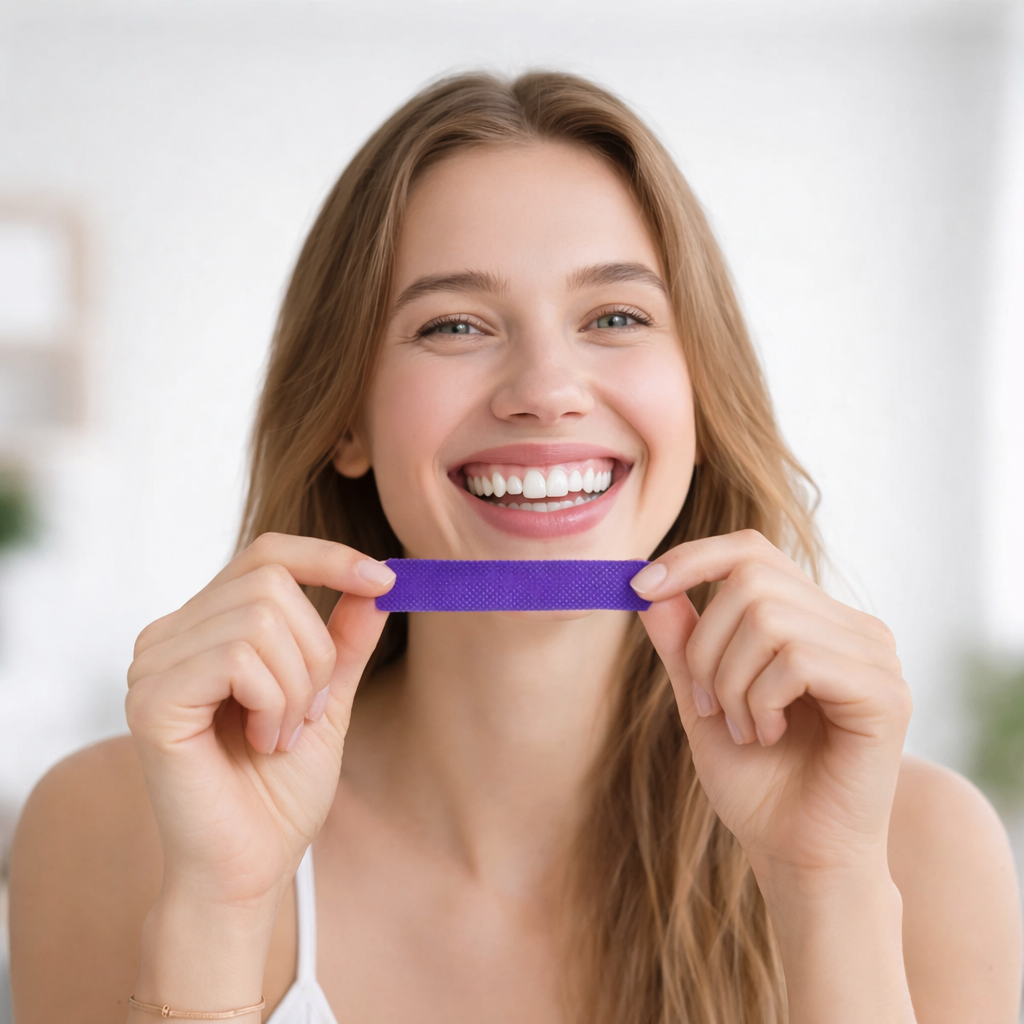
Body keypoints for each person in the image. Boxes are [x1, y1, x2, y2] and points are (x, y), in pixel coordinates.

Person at [9, 71, 1022, 1024]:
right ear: (345, 419)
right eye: (454, 326)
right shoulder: (116, 824)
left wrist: (825, 885)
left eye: (615, 315)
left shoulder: (915, 847)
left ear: (701, 396)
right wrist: (218, 911)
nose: (544, 388)